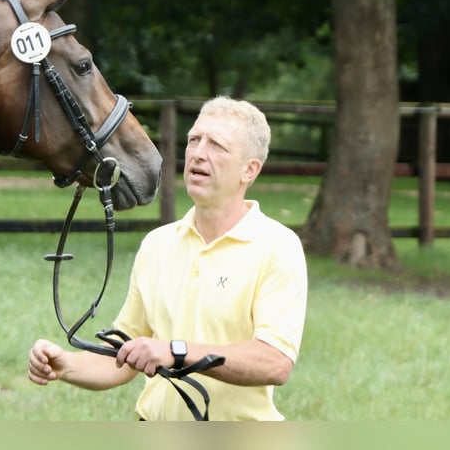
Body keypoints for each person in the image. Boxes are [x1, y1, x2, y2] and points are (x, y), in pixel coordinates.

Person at [27, 95, 308, 421]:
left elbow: (274, 361)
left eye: (217, 145)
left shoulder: (278, 246)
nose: (199, 154)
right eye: (194, 140)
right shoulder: (158, 245)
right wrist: (66, 364)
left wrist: (176, 352)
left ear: (250, 170)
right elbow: (126, 353)